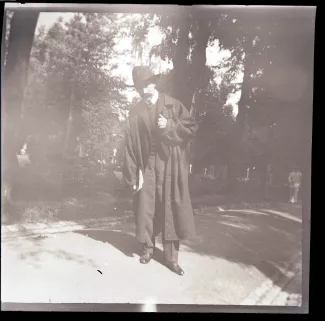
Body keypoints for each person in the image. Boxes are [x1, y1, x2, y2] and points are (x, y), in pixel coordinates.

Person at [123, 66, 198, 276]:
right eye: (140, 88)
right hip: (146, 163)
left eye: (147, 85)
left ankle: (171, 258)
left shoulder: (173, 105)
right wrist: (133, 172)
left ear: (154, 84)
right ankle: (147, 248)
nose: (144, 91)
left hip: (170, 164)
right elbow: (129, 143)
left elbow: (192, 128)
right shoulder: (136, 111)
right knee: (146, 207)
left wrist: (170, 125)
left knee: (170, 207)